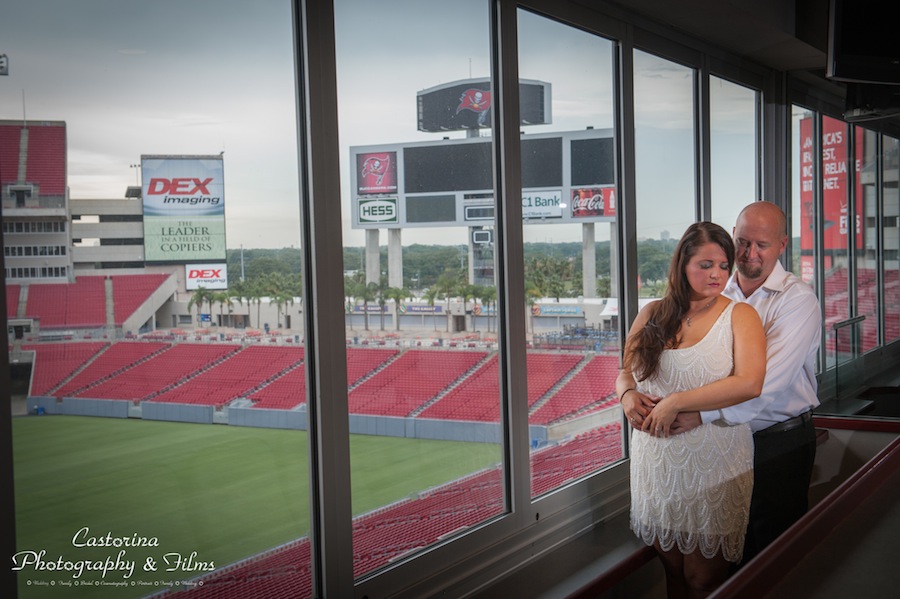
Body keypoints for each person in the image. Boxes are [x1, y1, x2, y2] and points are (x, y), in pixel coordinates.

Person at [623, 201, 822, 567]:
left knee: (769, 560)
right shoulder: (713, 289)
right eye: (743, 242)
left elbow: (764, 381)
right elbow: (636, 367)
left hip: (778, 440)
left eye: (762, 245)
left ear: (782, 246)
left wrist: (697, 413)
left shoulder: (798, 300)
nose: (749, 253)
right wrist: (629, 392)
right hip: (714, 447)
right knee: (715, 564)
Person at [616, 221, 766, 599]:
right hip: (657, 461)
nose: (717, 274)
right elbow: (624, 372)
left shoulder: (741, 315)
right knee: (674, 573)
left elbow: (750, 382)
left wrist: (677, 402)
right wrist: (627, 396)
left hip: (715, 460)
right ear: (682, 265)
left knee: (705, 580)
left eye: (723, 265)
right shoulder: (651, 312)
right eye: (705, 265)